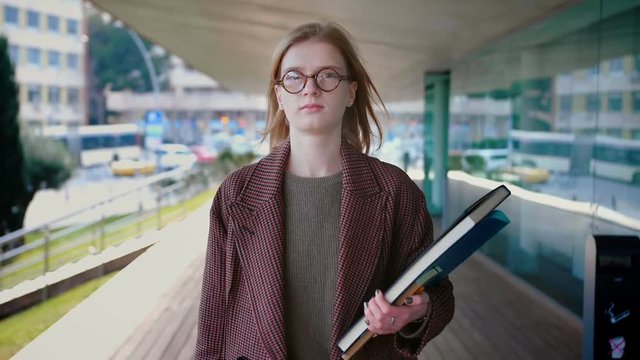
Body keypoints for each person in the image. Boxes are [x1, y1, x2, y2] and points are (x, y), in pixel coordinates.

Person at [196, 21, 454, 360]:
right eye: (294, 77)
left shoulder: (394, 191)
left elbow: (438, 291)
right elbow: (214, 317)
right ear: (279, 94)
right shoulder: (237, 193)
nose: (310, 88)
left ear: (350, 92)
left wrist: (414, 312)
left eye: (328, 75)